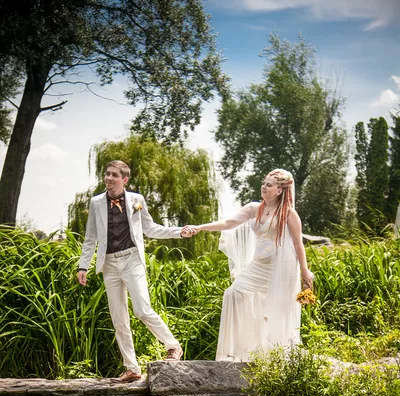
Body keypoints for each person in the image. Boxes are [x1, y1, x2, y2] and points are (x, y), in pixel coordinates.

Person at [77, 160, 194, 382]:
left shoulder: (136, 200)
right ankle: (132, 368)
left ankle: (173, 346)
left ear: (124, 180)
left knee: (142, 309)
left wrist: (179, 232)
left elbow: (151, 228)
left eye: (114, 175)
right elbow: (90, 237)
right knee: (118, 318)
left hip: (132, 260)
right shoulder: (96, 203)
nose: (109, 178)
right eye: (107, 174)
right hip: (108, 264)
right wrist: (83, 266)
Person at [182, 168, 313, 361]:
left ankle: (277, 355)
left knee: (276, 311)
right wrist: (200, 228)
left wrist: (305, 270)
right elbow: (228, 223)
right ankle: (242, 350)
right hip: (258, 266)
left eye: (269, 185)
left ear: (279, 190)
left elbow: (297, 243)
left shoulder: (289, 214)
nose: (264, 187)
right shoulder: (254, 208)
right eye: (264, 183)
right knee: (233, 294)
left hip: (281, 269)